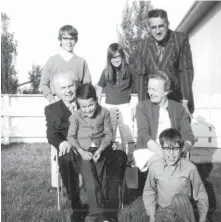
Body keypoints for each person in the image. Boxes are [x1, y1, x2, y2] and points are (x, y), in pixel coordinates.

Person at [67, 83, 127, 222]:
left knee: (100, 170)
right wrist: (81, 151)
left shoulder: (104, 112)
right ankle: (101, 215)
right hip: (81, 150)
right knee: (88, 168)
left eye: (90, 105)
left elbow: (108, 135)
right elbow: (71, 137)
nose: (87, 110)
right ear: (78, 105)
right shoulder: (76, 116)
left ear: (96, 100)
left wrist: (100, 150)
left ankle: (100, 211)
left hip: (100, 150)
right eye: (83, 107)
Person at [132, 9, 194, 114]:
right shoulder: (142, 47)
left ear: (167, 24)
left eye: (161, 26)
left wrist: (185, 101)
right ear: (149, 28)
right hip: (153, 103)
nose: (157, 31)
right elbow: (141, 77)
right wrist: (143, 105)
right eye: (153, 27)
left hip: (177, 100)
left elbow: (185, 71)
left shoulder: (180, 40)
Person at [142, 128, 208, 222]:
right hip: (163, 210)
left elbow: (201, 193)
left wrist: (202, 218)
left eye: (176, 149)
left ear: (181, 149)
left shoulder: (190, 168)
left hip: (184, 210)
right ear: (161, 148)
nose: (171, 154)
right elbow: (149, 192)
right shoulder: (155, 167)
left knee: (179, 199)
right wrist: (152, 215)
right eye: (167, 149)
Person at [134, 70, 194, 172]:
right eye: (149, 88)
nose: (150, 93)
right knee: (165, 166)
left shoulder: (178, 108)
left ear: (166, 91)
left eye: (154, 90)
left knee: (190, 170)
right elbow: (144, 135)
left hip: (173, 153)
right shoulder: (142, 107)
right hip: (147, 151)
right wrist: (166, 156)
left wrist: (180, 150)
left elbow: (188, 135)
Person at [44, 71, 84, 221]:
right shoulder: (52, 110)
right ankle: (77, 207)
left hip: (89, 147)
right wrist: (62, 142)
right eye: (63, 88)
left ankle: (101, 207)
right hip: (69, 150)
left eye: (70, 86)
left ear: (75, 85)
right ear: (56, 91)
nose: (68, 91)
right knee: (66, 160)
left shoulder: (86, 103)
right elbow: (52, 134)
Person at [96, 43, 137, 145]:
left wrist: (135, 107)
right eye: (113, 58)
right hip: (109, 107)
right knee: (110, 134)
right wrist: (98, 106)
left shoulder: (130, 69)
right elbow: (99, 88)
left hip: (125, 106)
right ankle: (111, 157)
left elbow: (140, 87)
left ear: (122, 56)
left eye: (118, 56)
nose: (116, 60)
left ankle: (129, 158)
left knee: (128, 134)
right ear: (109, 59)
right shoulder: (106, 71)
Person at [40, 24, 91, 104]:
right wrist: (52, 101)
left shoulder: (81, 62)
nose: (69, 42)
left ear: (76, 40)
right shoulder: (52, 60)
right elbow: (43, 85)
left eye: (72, 39)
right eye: (65, 38)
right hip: (56, 103)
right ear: (60, 39)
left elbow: (87, 86)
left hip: (77, 106)